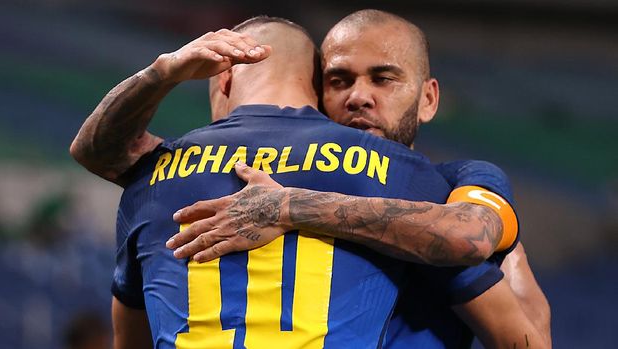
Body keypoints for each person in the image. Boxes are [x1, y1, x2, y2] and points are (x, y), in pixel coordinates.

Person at [70, 15, 546, 349]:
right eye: (339, 81)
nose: (360, 97)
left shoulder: (153, 177)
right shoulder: (418, 185)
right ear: (314, 90)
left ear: (428, 98)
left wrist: (290, 206)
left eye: (384, 80)